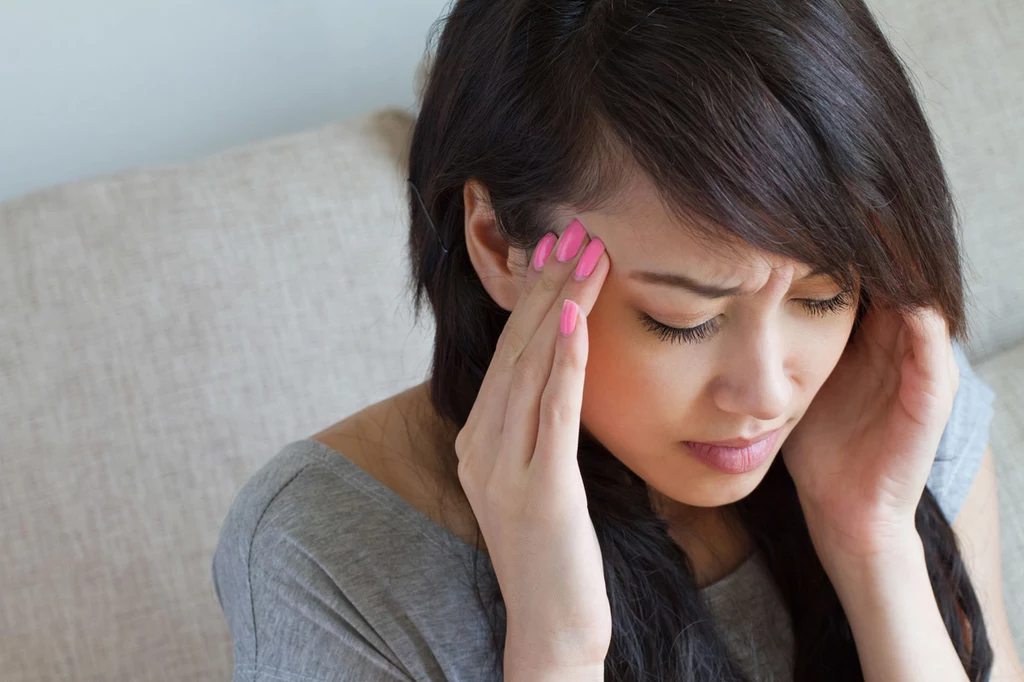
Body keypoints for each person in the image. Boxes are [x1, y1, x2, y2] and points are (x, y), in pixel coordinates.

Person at [212, 0, 1023, 680]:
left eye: (823, 296)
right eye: (684, 318)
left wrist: (871, 542)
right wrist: (556, 646)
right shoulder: (326, 549)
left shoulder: (895, 403)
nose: (771, 392)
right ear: (497, 243)